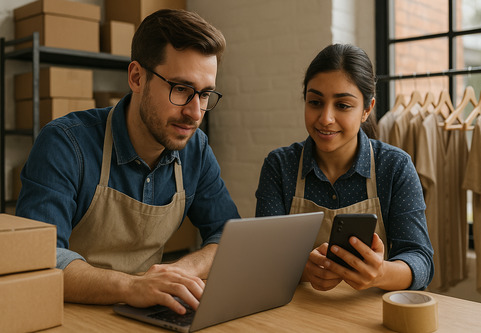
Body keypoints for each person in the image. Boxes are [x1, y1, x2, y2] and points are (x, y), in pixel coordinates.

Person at [16, 9, 239, 314]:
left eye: (204, 94)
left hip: (144, 312)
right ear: (136, 77)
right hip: (66, 313)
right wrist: (132, 286)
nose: (195, 112)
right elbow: (40, 259)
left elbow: (228, 233)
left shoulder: (196, 149)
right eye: (181, 89)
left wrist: (182, 272)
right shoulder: (65, 144)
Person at [255, 44, 434, 291]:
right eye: (315, 102)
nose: (326, 118)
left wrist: (380, 273)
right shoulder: (280, 166)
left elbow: (421, 261)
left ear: (367, 109)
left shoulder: (394, 166)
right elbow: (262, 258)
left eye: (342, 105)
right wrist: (305, 270)